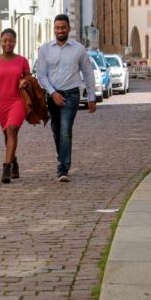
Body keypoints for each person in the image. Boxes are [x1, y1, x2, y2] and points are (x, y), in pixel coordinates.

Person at [34, 14, 97, 183]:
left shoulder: (78, 49)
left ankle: (63, 168)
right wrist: (53, 93)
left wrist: (92, 96)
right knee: (56, 130)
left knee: (65, 130)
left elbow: (88, 73)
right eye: (57, 27)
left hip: (72, 94)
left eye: (63, 27)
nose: (60, 30)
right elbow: (41, 74)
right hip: (52, 94)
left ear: (69, 28)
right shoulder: (45, 49)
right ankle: (62, 157)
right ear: (54, 29)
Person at [0, 28, 30, 184]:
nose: (8, 43)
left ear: (15, 42)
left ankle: (6, 168)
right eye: (5, 40)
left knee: (12, 130)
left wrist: (25, 82)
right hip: (2, 104)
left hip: (18, 101)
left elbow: (30, 81)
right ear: (0, 42)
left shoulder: (22, 61)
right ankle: (14, 162)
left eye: (11, 40)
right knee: (7, 136)